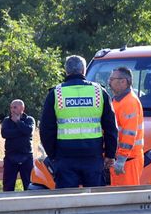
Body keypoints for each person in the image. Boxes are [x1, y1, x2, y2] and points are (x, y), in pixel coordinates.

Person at [39, 55, 118, 188]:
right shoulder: (99, 92)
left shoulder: (56, 93)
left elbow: (46, 129)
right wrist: (110, 154)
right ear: (84, 71)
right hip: (93, 155)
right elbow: (111, 127)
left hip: (65, 156)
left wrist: (53, 155)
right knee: (94, 199)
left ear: (66, 71)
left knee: (67, 200)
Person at [108, 66, 144, 187]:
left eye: (112, 79)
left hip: (127, 161)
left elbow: (129, 134)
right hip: (122, 160)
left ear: (123, 81)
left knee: (128, 199)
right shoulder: (117, 101)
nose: (109, 82)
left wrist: (121, 159)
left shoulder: (130, 102)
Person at [0, 99, 35, 191]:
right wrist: (21, 132)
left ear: (22, 108)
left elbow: (29, 131)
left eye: (15, 107)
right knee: (8, 186)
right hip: (10, 157)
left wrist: (18, 122)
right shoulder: (7, 120)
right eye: (11, 107)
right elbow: (4, 134)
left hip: (26, 157)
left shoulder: (29, 119)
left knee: (29, 185)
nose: (12, 110)